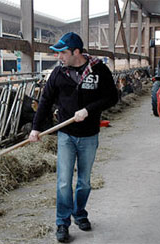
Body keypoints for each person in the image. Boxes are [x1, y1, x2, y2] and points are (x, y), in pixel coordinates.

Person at [29, 32, 118, 243]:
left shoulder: (98, 70)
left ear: (76, 52)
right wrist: (35, 128)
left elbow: (112, 97)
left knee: (85, 182)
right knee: (63, 182)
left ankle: (79, 213)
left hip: (89, 135)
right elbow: (45, 101)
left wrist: (89, 109)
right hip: (66, 135)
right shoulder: (59, 74)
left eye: (63, 53)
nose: (59, 57)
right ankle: (62, 222)